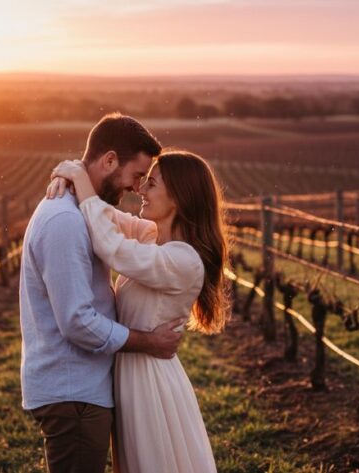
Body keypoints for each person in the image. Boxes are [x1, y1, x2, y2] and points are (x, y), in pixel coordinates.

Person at [19, 113, 186, 473]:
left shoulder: (83, 211)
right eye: (136, 176)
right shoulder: (65, 221)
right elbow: (77, 322)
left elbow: (132, 232)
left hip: (82, 389)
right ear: (109, 160)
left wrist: (77, 176)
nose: (137, 188)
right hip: (73, 391)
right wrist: (149, 341)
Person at [46, 148, 229, 473]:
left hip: (149, 384)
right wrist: (74, 174)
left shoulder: (184, 261)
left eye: (152, 184)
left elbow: (111, 246)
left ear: (179, 197)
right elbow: (102, 216)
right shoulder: (151, 238)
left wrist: (77, 178)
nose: (141, 190)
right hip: (129, 377)